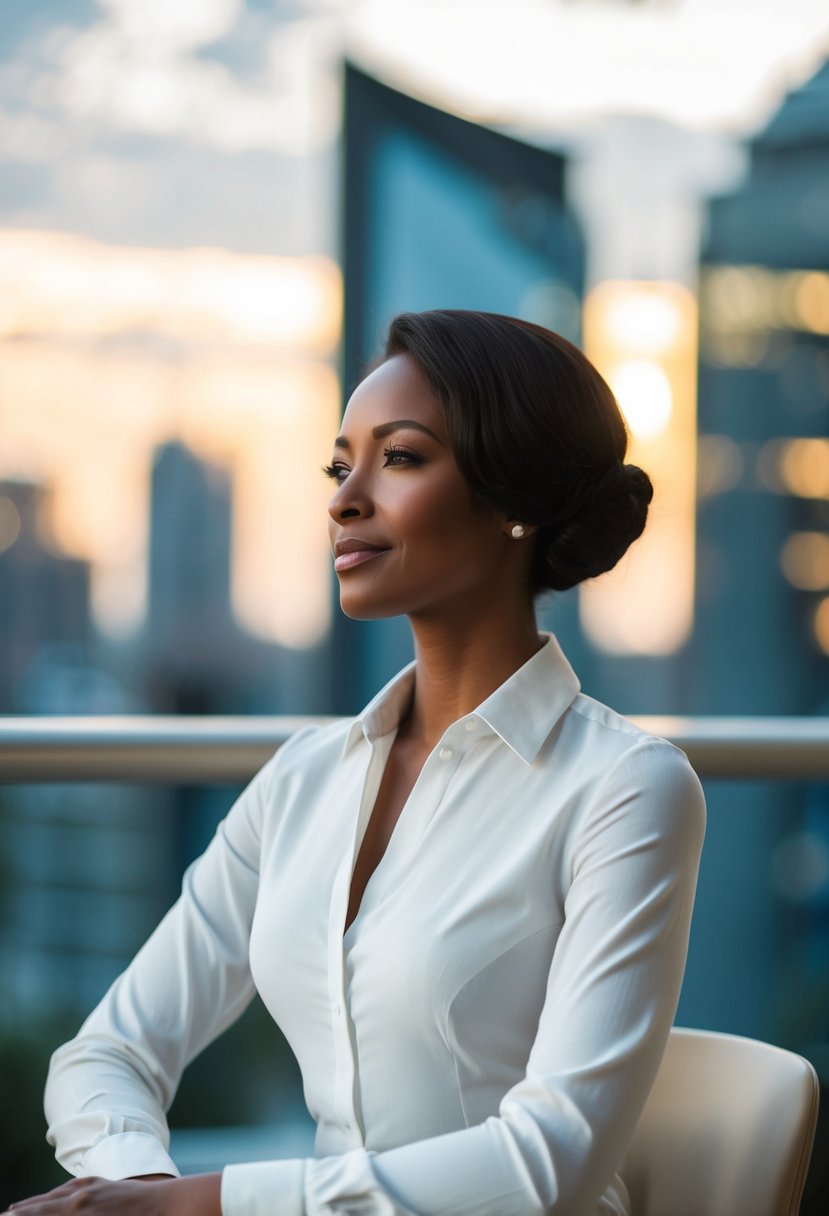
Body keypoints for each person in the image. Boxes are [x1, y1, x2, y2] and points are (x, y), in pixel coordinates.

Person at [13, 310, 705, 1216]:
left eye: (402, 458)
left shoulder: (626, 790)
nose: (344, 499)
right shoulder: (303, 780)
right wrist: (140, 1187)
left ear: (516, 501)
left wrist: (200, 1207)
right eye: (340, 466)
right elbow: (108, 1054)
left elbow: (550, 1164)